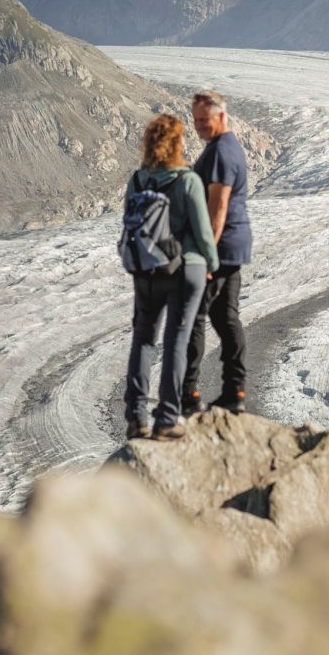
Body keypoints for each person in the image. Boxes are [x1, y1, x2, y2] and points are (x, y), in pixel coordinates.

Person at [123, 113, 219, 441]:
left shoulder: (137, 180)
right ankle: (166, 417)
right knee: (176, 341)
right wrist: (213, 264)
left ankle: (136, 416)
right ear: (178, 143)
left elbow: (130, 222)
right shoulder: (187, 180)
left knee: (143, 339)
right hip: (184, 268)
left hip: (147, 270)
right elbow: (204, 233)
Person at [183, 89, 252, 414]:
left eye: (204, 120)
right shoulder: (224, 147)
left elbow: (218, 206)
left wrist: (206, 256)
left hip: (220, 248)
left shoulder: (222, 152)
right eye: (195, 120)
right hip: (232, 246)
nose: (198, 125)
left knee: (193, 317)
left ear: (221, 117)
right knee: (226, 318)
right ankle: (234, 391)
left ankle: (188, 395)